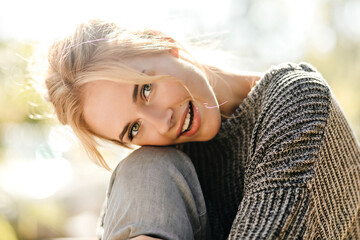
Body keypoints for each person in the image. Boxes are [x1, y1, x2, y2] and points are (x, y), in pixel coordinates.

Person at [44, 19, 360, 239]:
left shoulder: (296, 96)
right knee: (143, 169)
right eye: (134, 129)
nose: (161, 121)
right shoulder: (161, 176)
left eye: (145, 90)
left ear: (164, 44)